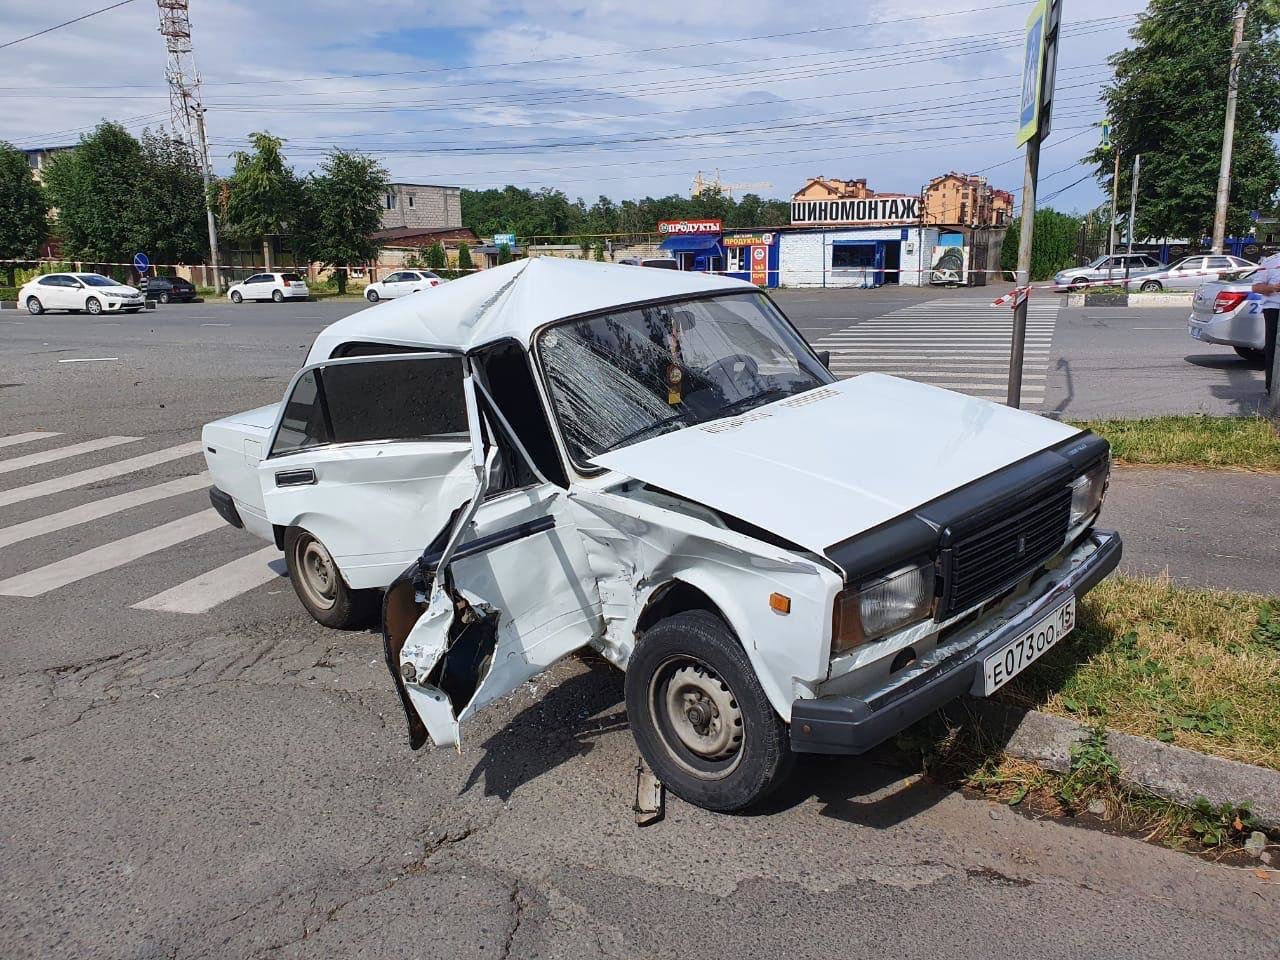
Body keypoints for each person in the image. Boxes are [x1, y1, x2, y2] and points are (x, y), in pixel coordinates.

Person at [1250, 251, 1280, 395]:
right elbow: (1256, 287)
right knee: (1273, 348)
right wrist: (1274, 288)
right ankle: (1271, 387)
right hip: (1274, 309)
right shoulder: (1270, 261)